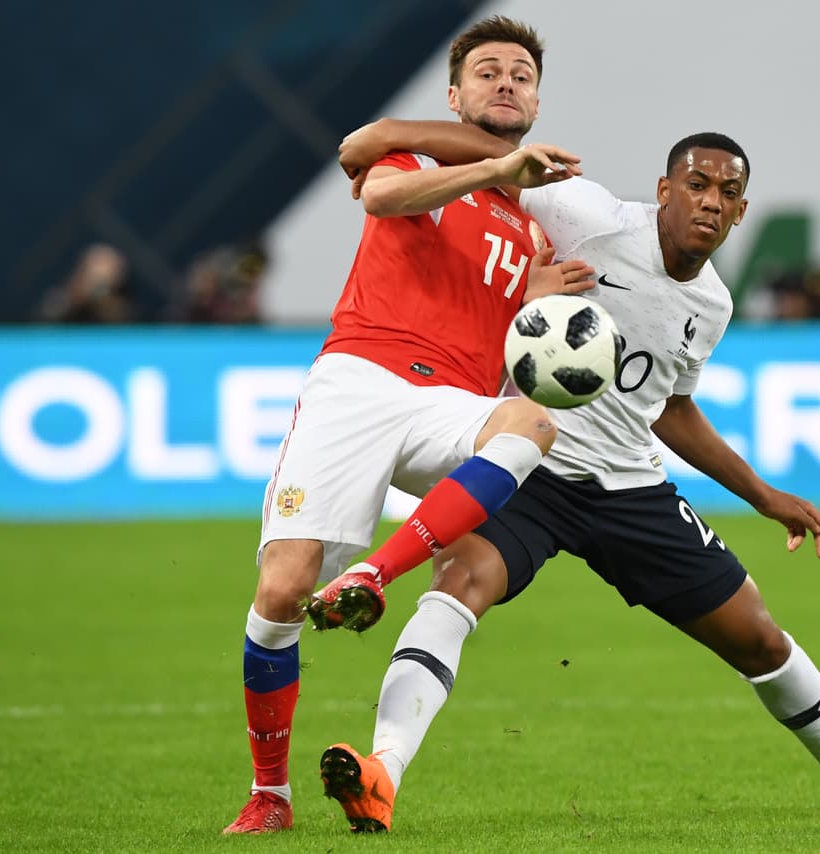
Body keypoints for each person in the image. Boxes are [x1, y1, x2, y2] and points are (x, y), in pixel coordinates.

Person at [317, 121, 820, 833]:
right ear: (664, 190)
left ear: (742, 211)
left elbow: (669, 408)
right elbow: (494, 171)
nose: (711, 203)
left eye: (728, 193)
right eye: (696, 185)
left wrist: (765, 497)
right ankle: (382, 772)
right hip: (527, 468)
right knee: (457, 587)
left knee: (758, 637)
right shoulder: (588, 214)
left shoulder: (712, 305)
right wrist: (421, 154)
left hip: (630, 489)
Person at [221, 16, 598, 834]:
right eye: (489, 71)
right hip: (358, 378)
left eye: (522, 75)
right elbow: (380, 194)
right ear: (455, 95)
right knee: (282, 593)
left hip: (449, 399)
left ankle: (374, 577)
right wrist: (495, 166)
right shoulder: (416, 161)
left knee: (534, 423)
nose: (507, 82)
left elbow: (505, 355)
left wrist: (535, 308)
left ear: (537, 101)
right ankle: (271, 795)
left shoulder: (534, 234)